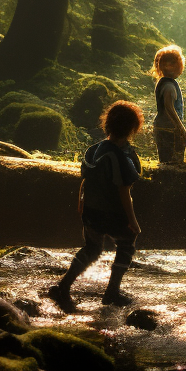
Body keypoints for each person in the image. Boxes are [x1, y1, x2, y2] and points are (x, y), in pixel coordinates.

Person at [47, 100, 144, 310]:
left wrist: (81, 202)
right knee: (127, 243)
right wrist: (133, 221)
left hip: (91, 211)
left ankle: (63, 287)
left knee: (91, 248)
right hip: (111, 213)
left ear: (107, 124)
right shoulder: (119, 155)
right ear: (132, 128)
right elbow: (124, 190)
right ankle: (112, 292)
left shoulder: (93, 150)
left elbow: (85, 179)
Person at [152, 44, 186, 164]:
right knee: (174, 161)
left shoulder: (162, 83)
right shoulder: (169, 86)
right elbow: (169, 107)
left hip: (161, 126)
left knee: (164, 160)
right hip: (169, 128)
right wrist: (180, 128)